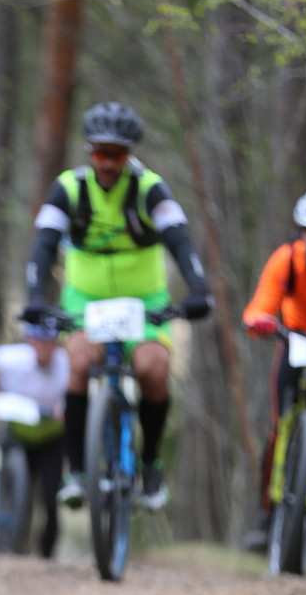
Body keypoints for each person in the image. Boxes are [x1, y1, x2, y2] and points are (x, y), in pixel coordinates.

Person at [24, 101, 211, 512]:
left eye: (118, 155)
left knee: (153, 369)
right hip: (86, 301)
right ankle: (77, 471)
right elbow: (42, 246)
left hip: (144, 302)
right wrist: (36, 298)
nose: (108, 163)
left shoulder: (149, 187)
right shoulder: (69, 188)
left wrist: (198, 287)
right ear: (88, 151)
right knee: (76, 364)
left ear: (130, 154)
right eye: (100, 153)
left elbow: (179, 237)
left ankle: (150, 464)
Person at [241, 190, 306, 552]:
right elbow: (261, 304)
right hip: (294, 342)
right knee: (278, 426)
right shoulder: (286, 260)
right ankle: (266, 514)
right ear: (300, 233)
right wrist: (259, 321)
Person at [0, 321, 69, 559]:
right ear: (30, 341)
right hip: (17, 433)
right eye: (39, 342)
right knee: (13, 486)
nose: (45, 348)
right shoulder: (14, 358)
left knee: (51, 497)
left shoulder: (65, 363)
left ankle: (46, 554)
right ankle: (6, 539)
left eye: (50, 343)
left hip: (51, 437)